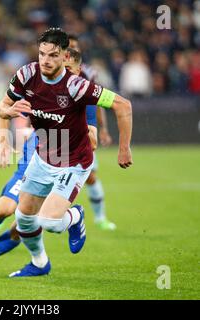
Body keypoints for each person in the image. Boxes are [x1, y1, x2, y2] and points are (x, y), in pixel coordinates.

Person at [0, 27, 132, 277]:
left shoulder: (76, 86)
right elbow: (2, 107)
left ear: (64, 57)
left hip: (73, 162)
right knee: (24, 218)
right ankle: (39, 263)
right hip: (42, 157)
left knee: (48, 221)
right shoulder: (26, 74)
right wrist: (8, 115)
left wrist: (124, 148)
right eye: (42, 54)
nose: (45, 60)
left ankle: (75, 217)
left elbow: (123, 105)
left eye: (52, 55)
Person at [0, 48, 99, 275]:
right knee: (5, 209)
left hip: (64, 166)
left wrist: (81, 133)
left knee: (21, 227)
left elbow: (93, 138)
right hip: (35, 161)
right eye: (64, 69)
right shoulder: (38, 86)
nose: (66, 76)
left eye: (70, 71)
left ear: (78, 71)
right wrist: (3, 142)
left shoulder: (85, 97)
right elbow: (4, 109)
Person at [68, 34, 116, 231]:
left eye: (75, 47)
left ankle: (99, 217)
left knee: (90, 176)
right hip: (56, 133)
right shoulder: (50, 70)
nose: (72, 50)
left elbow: (97, 103)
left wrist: (102, 128)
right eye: (68, 46)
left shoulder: (88, 73)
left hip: (82, 131)